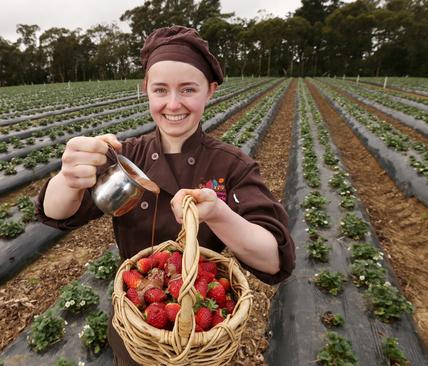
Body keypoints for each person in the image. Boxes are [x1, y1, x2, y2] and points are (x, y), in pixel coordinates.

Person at [36, 25, 295, 365]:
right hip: (137, 322)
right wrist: (69, 177)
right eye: (161, 90)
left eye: (188, 89)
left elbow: (273, 257)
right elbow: (56, 213)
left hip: (201, 336)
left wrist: (218, 214)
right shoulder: (125, 157)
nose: (173, 104)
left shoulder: (231, 165)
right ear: (146, 91)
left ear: (210, 91)